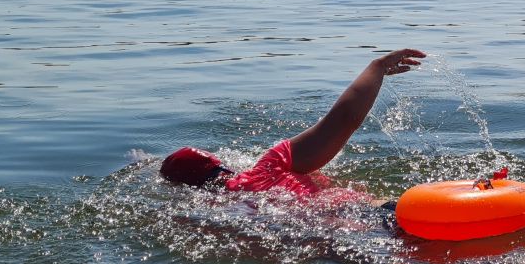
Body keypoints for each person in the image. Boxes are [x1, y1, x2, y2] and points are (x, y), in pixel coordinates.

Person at [160, 49, 426, 204]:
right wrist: (376, 67)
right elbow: (343, 120)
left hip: (354, 244)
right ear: (221, 165)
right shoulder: (269, 167)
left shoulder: (222, 208)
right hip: (382, 216)